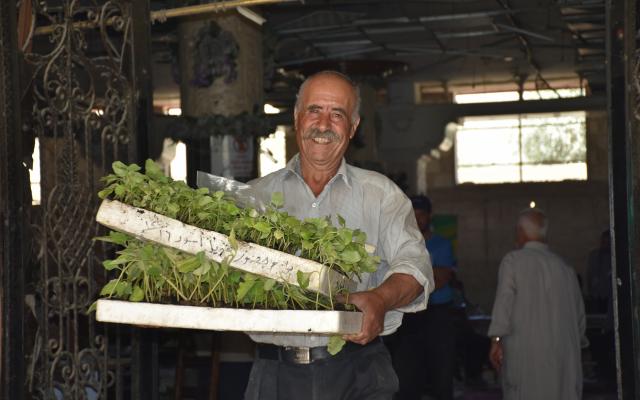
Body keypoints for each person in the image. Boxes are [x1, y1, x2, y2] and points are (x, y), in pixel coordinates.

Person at [244, 70, 434, 400]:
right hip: (274, 376)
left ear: (353, 127)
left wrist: (380, 299)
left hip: (358, 372)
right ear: (297, 117)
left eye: (337, 114)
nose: (323, 124)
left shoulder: (381, 195)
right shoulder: (253, 197)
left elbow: (415, 267)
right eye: (314, 110)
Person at [488, 208, 587, 400]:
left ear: (521, 232)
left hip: (526, 357)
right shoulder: (565, 267)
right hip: (563, 358)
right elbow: (580, 318)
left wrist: (496, 340)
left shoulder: (513, 261)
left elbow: (503, 306)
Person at [387, 195, 456, 400]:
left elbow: (442, 277)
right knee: (407, 376)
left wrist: (407, 282)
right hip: (408, 317)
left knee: (441, 374)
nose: (418, 219)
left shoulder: (441, 244)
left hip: (438, 315)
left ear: (429, 216)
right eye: (413, 215)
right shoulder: (400, 248)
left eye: (422, 215)